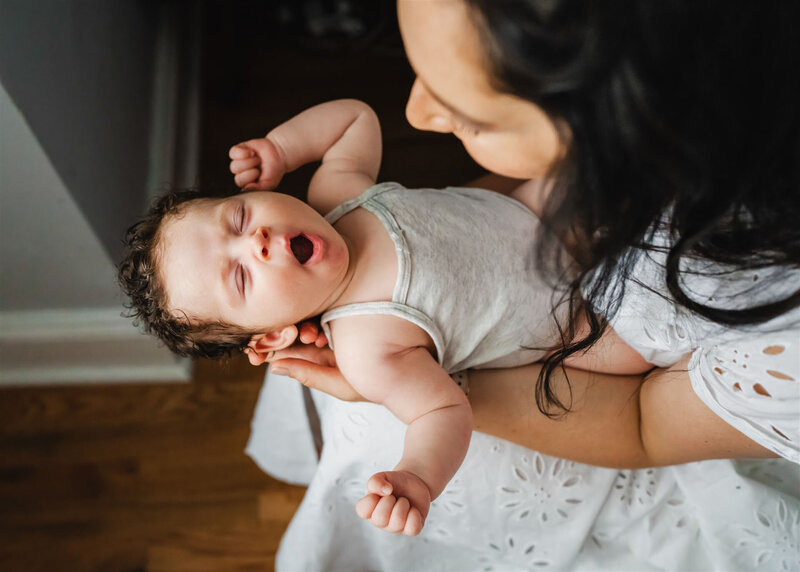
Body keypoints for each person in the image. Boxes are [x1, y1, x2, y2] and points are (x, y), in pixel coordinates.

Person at [243, 0, 799, 569]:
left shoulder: (781, 346)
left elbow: (642, 422)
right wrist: (406, 373)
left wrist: (424, 397)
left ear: (621, 118)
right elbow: (482, 217)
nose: (415, 114)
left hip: (621, 399)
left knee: (377, 436)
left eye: (472, 115)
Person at [118, 98, 651, 536]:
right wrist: (416, 477)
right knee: (644, 344)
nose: (253, 242)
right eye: (240, 278)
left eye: (238, 217)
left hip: (537, 214)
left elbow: (355, 119)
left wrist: (282, 146)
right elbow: (441, 411)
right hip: (576, 321)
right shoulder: (366, 347)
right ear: (276, 334)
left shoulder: (339, 196)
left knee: (595, 161)